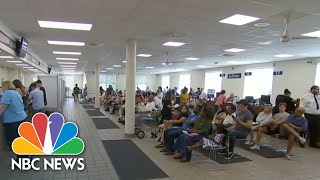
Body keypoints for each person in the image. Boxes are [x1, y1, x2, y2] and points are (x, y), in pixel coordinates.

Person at [0, 81, 27, 159]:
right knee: (19, 140)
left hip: (13, 122)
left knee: (13, 141)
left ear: (5, 86)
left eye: (2, 87)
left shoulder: (7, 93)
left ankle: (22, 159)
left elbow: (2, 107)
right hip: (21, 118)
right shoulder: (16, 92)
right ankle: (23, 158)